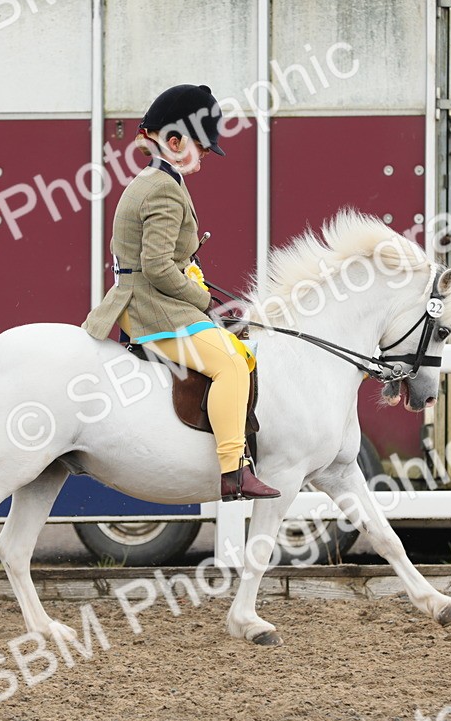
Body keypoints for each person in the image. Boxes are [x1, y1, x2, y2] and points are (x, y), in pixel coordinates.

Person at [82, 84, 280, 501]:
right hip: (153, 308)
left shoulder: (154, 181)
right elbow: (156, 268)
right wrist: (205, 299)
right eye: (201, 146)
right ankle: (233, 471)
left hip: (151, 299)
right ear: (173, 142)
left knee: (235, 348)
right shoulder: (163, 189)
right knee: (231, 363)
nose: (207, 155)